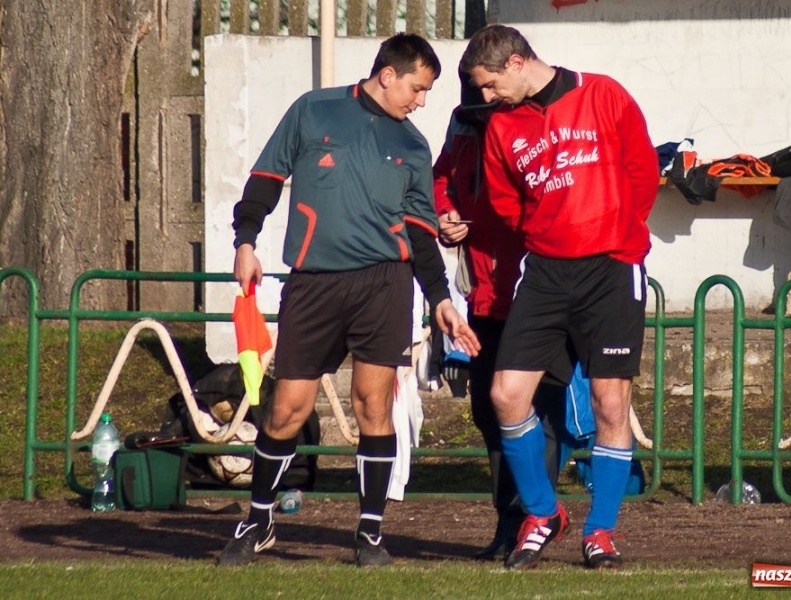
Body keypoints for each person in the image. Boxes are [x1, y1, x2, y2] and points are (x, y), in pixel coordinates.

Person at [218, 33, 480, 569]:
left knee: (373, 406)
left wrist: (440, 299)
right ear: (388, 74)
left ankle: (370, 534)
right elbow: (265, 181)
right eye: (418, 87)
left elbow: (422, 234)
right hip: (314, 284)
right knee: (288, 408)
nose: (422, 100)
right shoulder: (313, 111)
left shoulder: (413, 146)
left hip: (384, 286)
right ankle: (260, 518)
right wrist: (245, 243)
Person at [459, 24, 659, 570]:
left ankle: (601, 533)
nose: (485, 97)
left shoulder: (604, 94)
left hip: (612, 268)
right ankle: (544, 514)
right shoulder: (501, 126)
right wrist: (554, 233)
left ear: (518, 63)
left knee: (610, 404)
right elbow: (506, 202)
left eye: (490, 84)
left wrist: (616, 235)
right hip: (544, 272)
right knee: (505, 395)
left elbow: (643, 172)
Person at [432, 69, 567, 560]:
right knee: (491, 414)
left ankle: (536, 516)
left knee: (539, 411)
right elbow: (441, 178)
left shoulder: (537, 126)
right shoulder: (464, 128)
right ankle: (510, 521)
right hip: (486, 296)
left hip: (540, 293)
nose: (489, 106)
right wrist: (446, 215)